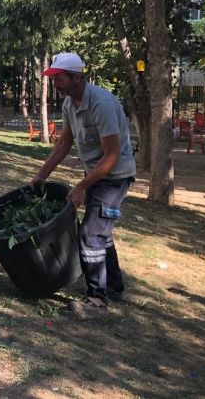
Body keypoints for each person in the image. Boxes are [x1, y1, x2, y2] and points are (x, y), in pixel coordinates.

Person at [29, 52, 136, 318]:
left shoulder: (101, 103)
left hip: (114, 177)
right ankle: (112, 286)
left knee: (90, 234)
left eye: (59, 78)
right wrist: (41, 175)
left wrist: (81, 186)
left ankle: (97, 300)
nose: (55, 83)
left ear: (77, 78)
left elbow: (111, 156)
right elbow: (64, 144)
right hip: (96, 176)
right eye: (53, 78)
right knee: (101, 233)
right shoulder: (69, 105)